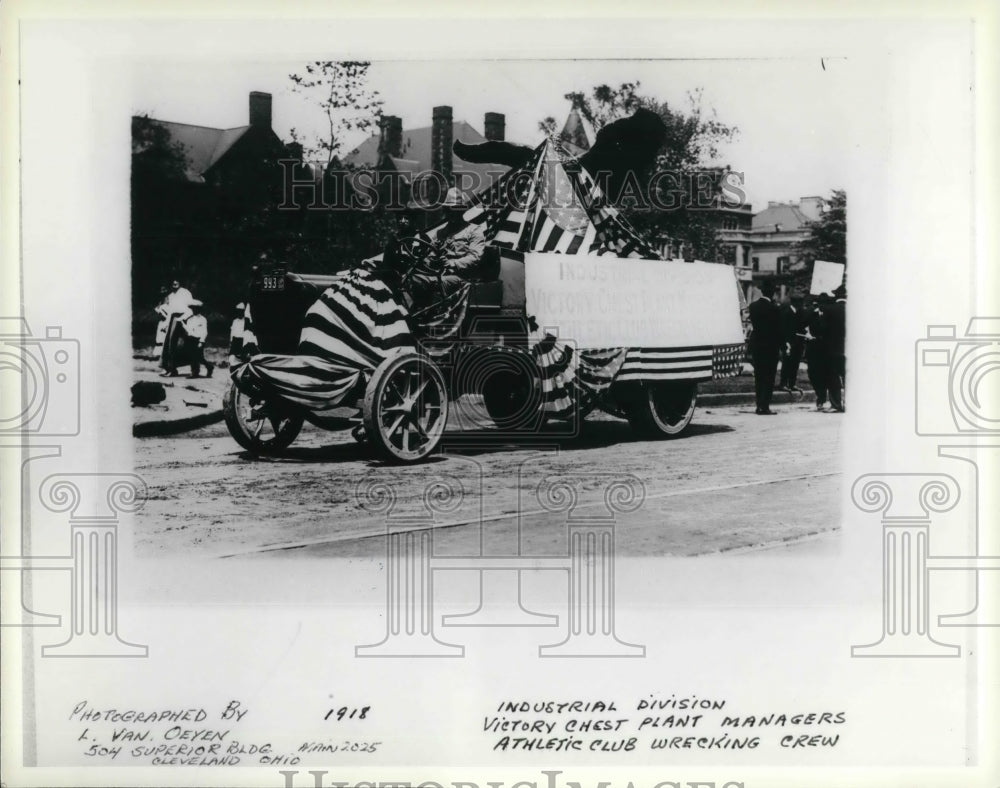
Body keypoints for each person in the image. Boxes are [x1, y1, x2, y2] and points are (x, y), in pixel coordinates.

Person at [748, 280, 783, 415]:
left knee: (759, 376)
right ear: (773, 293)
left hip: (757, 344)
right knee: (769, 377)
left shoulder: (753, 306)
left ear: (762, 291)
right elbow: (778, 329)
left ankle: (758, 405)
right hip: (770, 346)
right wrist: (783, 346)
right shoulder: (774, 308)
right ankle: (765, 406)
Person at [159, 279, 194, 376]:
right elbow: (170, 312)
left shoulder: (185, 293)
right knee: (168, 344)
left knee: (177, 345)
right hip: (173, 320)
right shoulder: (171, 296)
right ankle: (169, 368)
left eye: (176, 283)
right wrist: (166, 324)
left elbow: (191, 309)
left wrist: (183, 319)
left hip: (183, 319)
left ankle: (174, 369)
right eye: (173, 283)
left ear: (180, 283)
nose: (174, 285)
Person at [804, 294, 830, 411]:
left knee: (824, 373)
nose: (821, 306)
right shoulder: (811, 314)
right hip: (813, 349)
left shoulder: (830, 315)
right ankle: (820, 394)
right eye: (820, 303)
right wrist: (807, 334)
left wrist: (818, 338)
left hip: (825, 349)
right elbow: (803, 325)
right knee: (812, 373)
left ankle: (821, 397)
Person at [824, 284, 847, 412]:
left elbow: (823, 329)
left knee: (833, 376)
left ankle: (836, 404)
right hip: (851, 349)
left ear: (836, 296)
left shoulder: (830, 309)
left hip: (834, 348)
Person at [779, 294, 808, 393]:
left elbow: (801, 326)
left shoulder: (800, 312)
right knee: (787, 363)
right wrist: (786, 343)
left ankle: (792, 383)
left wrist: (806, 332)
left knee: (795, 364)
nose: (801, 304)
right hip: (789, 343)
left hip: (798, 343)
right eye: (799, 302)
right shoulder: (786, 312)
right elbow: (783, 329)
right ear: (794, 302)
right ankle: (783, 383)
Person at [181, 300, 212, 378]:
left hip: (198, 339)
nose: (194, 310)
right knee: (193, 356)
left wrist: (201, 341)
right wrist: (183, 324)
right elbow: (189, 330)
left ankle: (200, 370)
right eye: (193, 308)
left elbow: (204, 331)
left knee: (198, 357)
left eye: (196, 308)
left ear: (199, 309)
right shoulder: (190, 319)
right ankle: (198, 370)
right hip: (190, 339)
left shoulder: (202, 319)